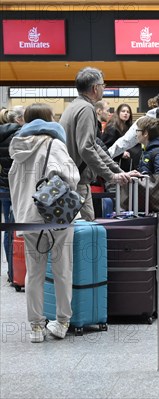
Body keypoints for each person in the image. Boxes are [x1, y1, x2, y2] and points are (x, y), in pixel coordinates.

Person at [9, 103, 79, 342]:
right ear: (49, 119)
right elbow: (71, 176)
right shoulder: (55, 143)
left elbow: (14, 184)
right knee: (61, 270)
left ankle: (36, 327)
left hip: (28, 217)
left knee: (34, 272)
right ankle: (61, 322)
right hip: (56, 216)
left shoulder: (17, 147)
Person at [59, 67, 138, 221]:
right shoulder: (86, 109)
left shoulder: (74, 106)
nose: (104, 88)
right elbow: (86, 148)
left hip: (73, 179)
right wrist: (111, 176)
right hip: (78, 183)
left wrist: (118, 171)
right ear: (95, 88)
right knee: (85, 231)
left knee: (78, 230)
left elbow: (94, 145)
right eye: (103, 85)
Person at [0, 116, 20, 284]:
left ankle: (11, 271)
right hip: (18, 186)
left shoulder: (1, 136)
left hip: (3, 186)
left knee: (8, 226)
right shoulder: (20, 136)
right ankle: (18, 270)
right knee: (20, 226)